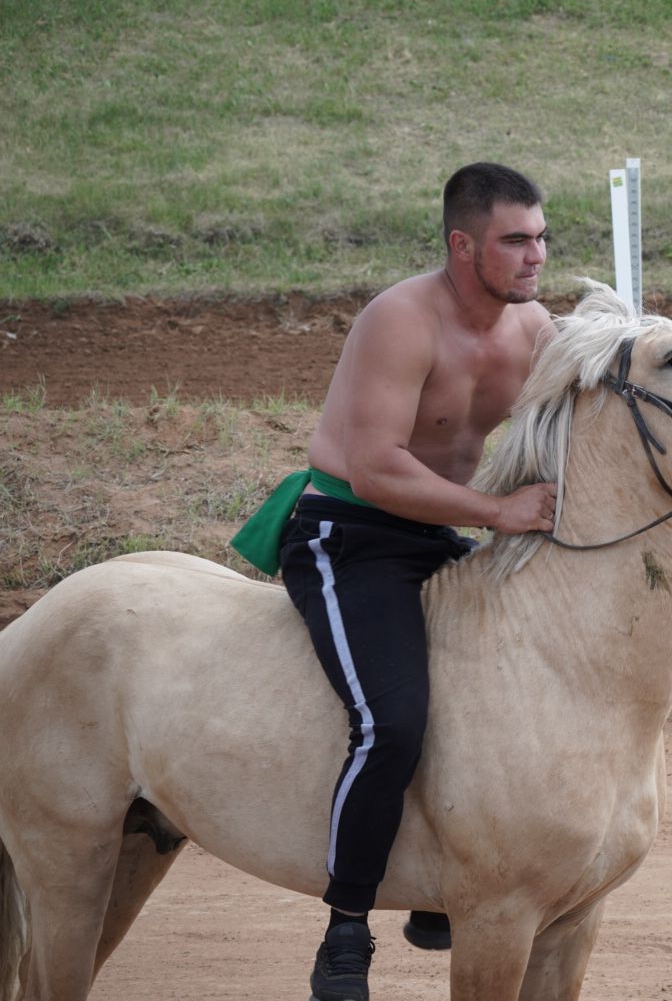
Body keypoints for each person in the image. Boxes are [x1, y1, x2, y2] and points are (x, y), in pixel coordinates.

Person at [230, 162, 560, 1001]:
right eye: (515, 241)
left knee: (487, 704)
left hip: (437, 534)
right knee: (393, 719)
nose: (535, 257)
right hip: (347, 537)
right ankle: (346, 927)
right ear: (462, 245)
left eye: (541, 238)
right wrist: (498, 512)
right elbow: (377, 469)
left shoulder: (533, 330)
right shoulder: (401, 320)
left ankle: (435, 903)